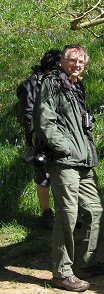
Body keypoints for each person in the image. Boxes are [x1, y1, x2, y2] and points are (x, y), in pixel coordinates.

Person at [32, 44, 104, 292]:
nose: (77, 64)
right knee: (68, 215)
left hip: (84, 161)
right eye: (73, 60)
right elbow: (45, 122)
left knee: (96, 210)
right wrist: (66, 147)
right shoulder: (51, 84)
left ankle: (87, 262)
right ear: (62, 62)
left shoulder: (77, 87)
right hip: (65, 161)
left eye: (81, 61)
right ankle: (62, 273)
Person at [16, 49, 62, 229]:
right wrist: (38, 140)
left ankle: (66, 213)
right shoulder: (31, 85)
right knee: (44, 177)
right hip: (40, 139)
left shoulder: (60, 81)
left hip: (60, 136)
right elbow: (27, 116)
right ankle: (46, 214)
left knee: (63, 175)